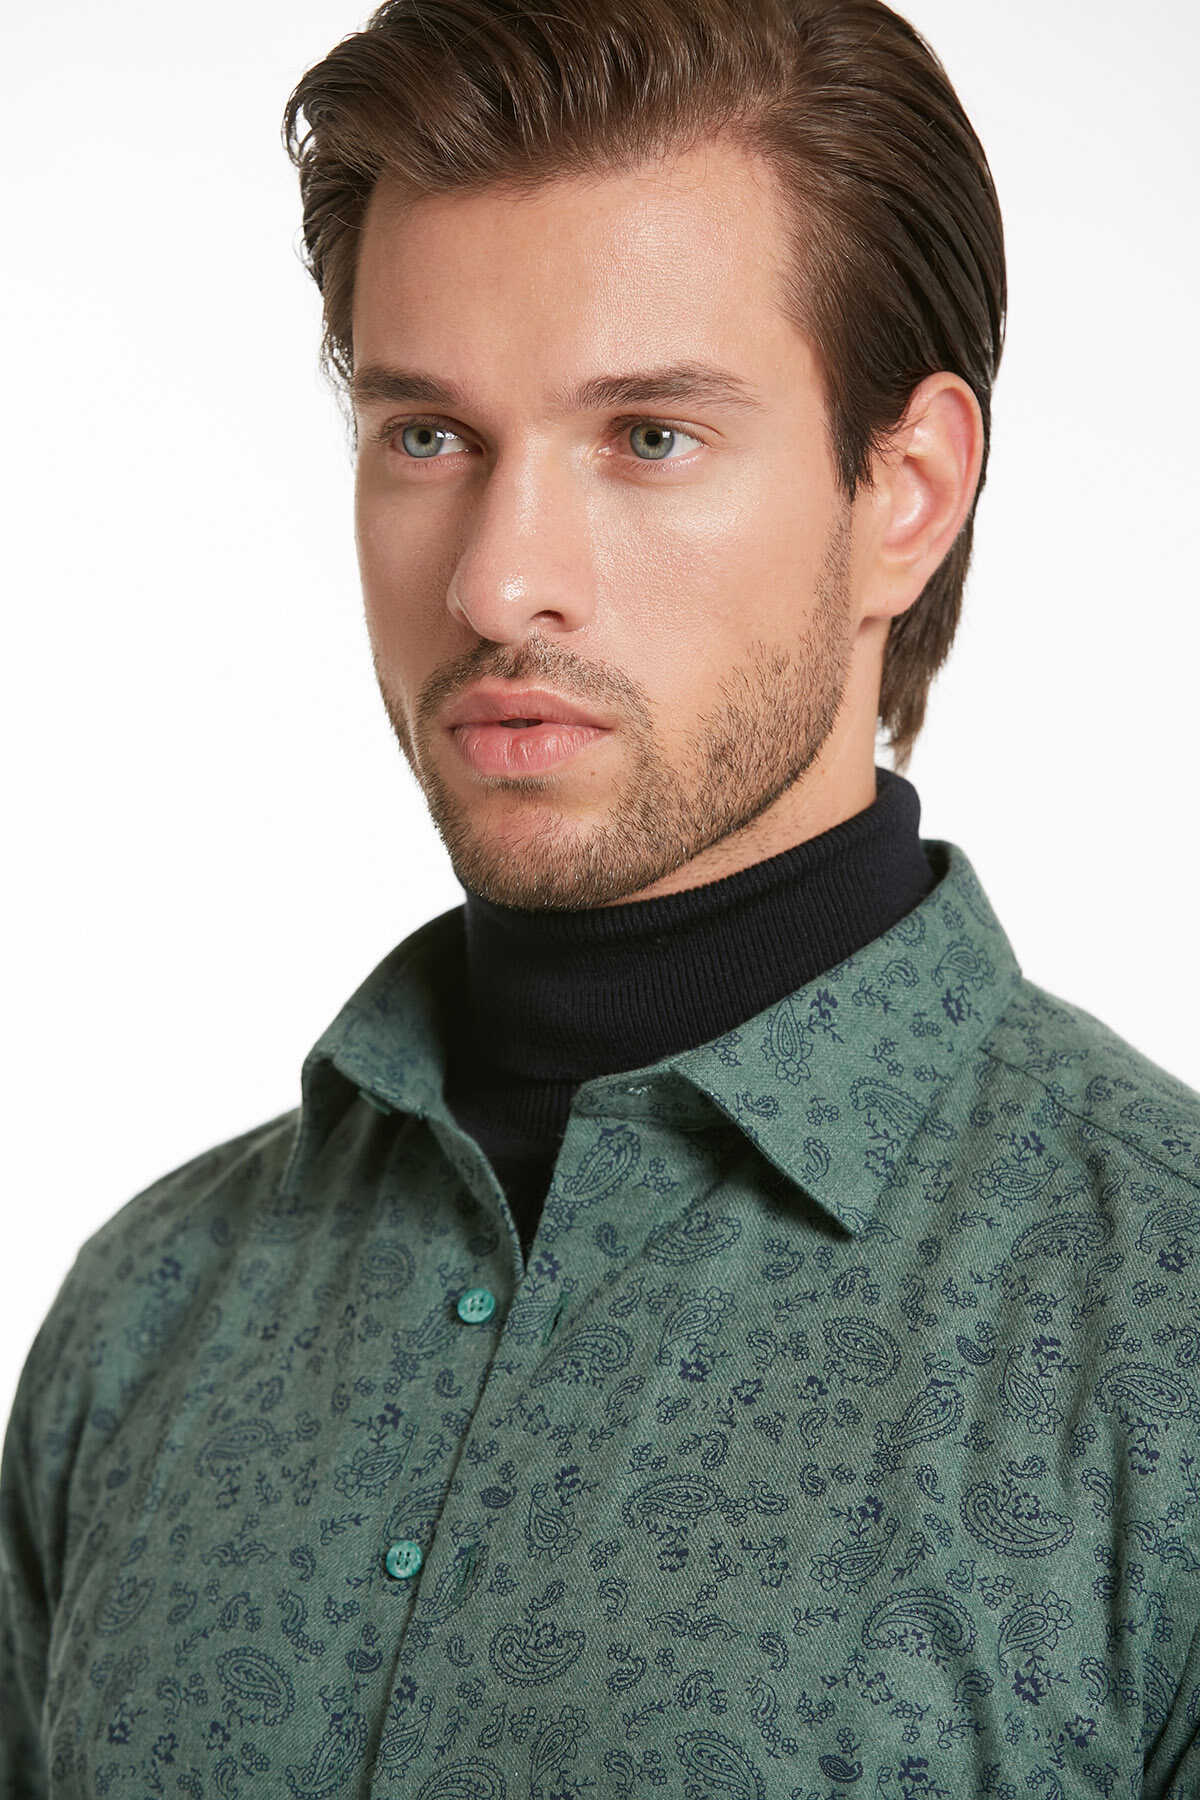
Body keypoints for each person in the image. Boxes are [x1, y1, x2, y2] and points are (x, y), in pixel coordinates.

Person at [3, 0, 1198, 1791]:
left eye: (648, 436)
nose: (500, 584)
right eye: (427, 435)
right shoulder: (149, 1317)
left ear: (905, 493)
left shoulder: (1162, 1335)